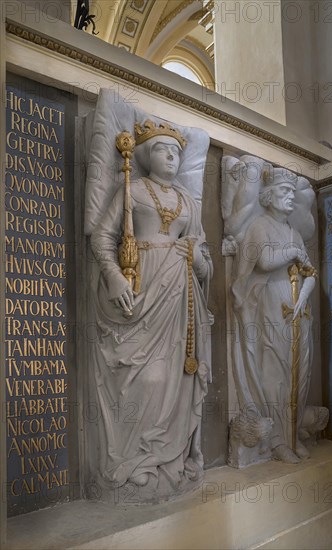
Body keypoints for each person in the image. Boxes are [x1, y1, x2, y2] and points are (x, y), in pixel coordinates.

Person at [89, 120, 212, 500]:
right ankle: (132, 460)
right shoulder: (132, 189)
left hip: (179, 301)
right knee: (144, 380)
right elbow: (102, 238)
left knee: (175, 379)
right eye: (163, 149)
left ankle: (167, 459)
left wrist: (194, 257)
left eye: (177, 151)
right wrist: (113, 277)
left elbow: (205, 262)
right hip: (138, 295)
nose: (172, 157)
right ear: (144, 155)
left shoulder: (188, 203)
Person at [232, 169, 317, 464]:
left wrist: (305, 295)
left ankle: (293, 436)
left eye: (292, 191)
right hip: (271, 305)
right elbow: (265, 261)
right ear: (268, 197)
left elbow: (311, 273)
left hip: (298, 310)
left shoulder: (294, 232)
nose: (290, 195)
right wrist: (293, 251)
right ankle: (278, 440)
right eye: (284, 191)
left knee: (300, 371)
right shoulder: (260, 226)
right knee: (276, 369)